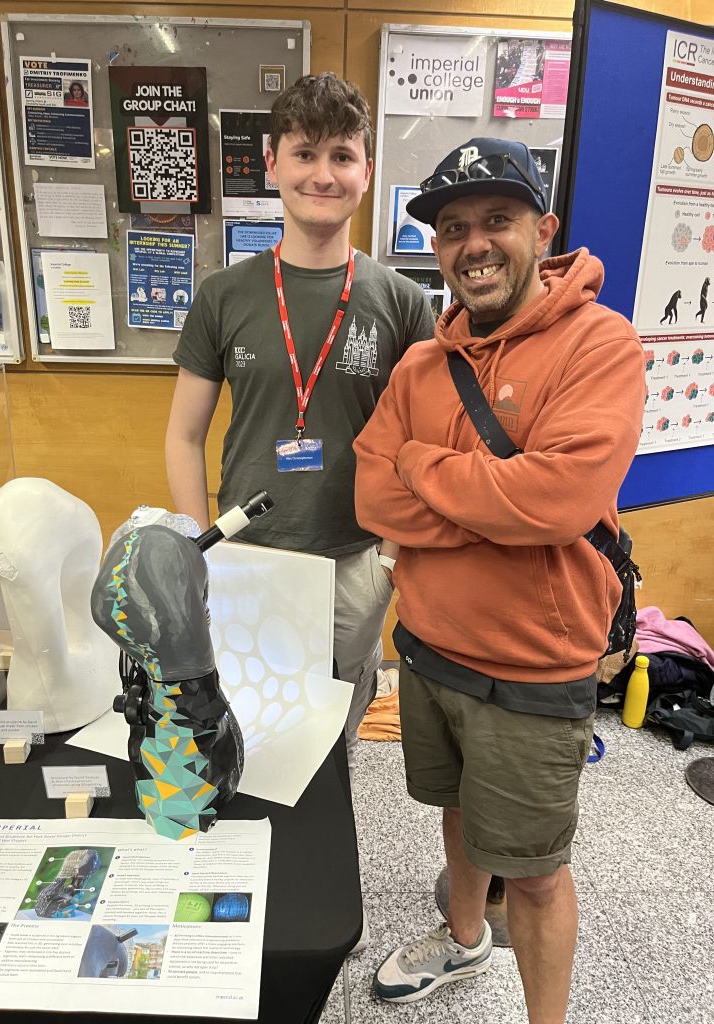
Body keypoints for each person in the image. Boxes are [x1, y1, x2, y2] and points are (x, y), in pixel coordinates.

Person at [353, 137, 645, 1022]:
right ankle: (464, 940)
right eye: (453, 229)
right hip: (430, 649)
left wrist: (420, 463)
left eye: (497, 220)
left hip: (534, 663)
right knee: (456, 813)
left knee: (537, 871)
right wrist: (486, 506)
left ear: (542, 229)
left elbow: (556, 501)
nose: (474, 244)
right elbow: (372, 493)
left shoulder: (601, 345)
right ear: (436, 248)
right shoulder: (418, 365)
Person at [165, 73, 434, 777]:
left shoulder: (403, 302)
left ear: (367, 172)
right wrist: (202, 549)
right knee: (249, 725)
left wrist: (394, 559)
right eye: (306, 153)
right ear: (273, 165)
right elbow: (183, 435)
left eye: (342, 156)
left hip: (357, 557)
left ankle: (319, 858)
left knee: (334, 738)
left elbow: (430, 444)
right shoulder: (223, 296)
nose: (324, 174)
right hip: (246, 554)